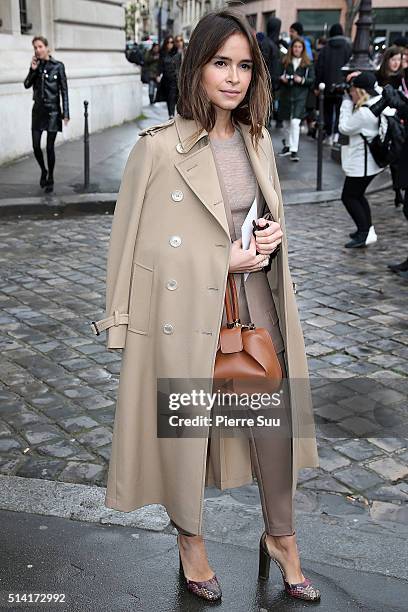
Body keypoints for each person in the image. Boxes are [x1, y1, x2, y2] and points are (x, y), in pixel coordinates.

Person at [91, 6, 320, 605]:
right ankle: (191, 543)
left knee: (273, 428)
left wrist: (270, 239)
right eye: (221, 62)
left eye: (245, 65)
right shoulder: (158, 148)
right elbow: (136, 247)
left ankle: (283, 539)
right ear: (197, 66)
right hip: (186, 314)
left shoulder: (258, 140)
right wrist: (219, 262)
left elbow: (259, 218)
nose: (234, 77)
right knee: (187, 432)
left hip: (254, 302)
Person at [338, 71, 383, 248]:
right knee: (357, 195)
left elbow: (344, 127)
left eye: (353, 90)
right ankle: (365, 229)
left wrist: (346, 103)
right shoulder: (378, 102)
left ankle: (364, 233)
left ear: (361, 91)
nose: (350, 93)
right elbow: (377, 86)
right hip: (369, 163)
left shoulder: (365, 113)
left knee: (348, 197)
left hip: (362, 164)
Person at [23, 35, 69, 193]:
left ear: (47, 48)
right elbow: (26, 85)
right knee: (36, 146)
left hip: (53, 112)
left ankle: (51, 177)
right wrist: (32, 70)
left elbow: (64, 91)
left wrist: (66, 113)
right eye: (35, 47)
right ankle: (43, 170)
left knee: (50, 147)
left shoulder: (58, 66)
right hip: (38, 111)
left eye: (40, 46)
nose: (38, 50)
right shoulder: (37, 67)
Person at [277, 38, 315, 161]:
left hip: (300, 96)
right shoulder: (285, 61)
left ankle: (294, 150)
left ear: (303, 49)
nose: (297, 49)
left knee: (295, 122)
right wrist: (282, 78)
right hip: (286, 95)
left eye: (299, 47)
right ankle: (287, 146)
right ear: (291, 48)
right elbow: (278, 75)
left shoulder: (308, 64)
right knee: (286, 123)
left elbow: (312, 80)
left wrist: (302, 80)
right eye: (295, 47)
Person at [314, 24, 352, 144]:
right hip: (343, 85)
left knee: (328, 111)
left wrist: (317, 85)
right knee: (341, 110)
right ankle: (336, 134)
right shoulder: (348, 47)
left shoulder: (325, 49)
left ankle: (329, 134)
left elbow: (319, 68)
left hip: (327, 85)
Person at [376, 46, 404, 206]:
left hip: (399, 119)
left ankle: (398, 190)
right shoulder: (379, 77)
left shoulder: (401, 78)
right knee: (392, 156)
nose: (396, 63)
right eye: (393, 59)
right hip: (384, 120)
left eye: (398, 60)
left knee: (398, 156)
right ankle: (397, 190)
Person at [260, 16, 282, 128]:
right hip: (267, 81)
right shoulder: (267, 43)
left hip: (271, 81)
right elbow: (264, 63)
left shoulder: (273, 43)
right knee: (265, 107)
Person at [155, 35, 178, 119]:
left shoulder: (176, 53)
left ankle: (173, 114)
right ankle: (171, 114)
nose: (170, 44)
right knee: (169, 97)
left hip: (175, 78)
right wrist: (158, 75)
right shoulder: (163, 54)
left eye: (171, 42)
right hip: (166, 79)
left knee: (173, 96)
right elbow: (160, 65)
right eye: (168, 42)